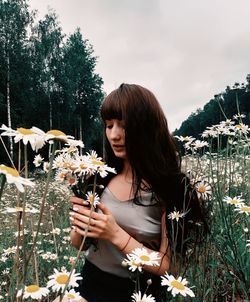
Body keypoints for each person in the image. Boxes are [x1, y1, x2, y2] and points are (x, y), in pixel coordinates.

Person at [69, 83, 207, 302]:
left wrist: (114, 233)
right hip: (88, 282)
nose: (114, 135)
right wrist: (81, 222)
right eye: (108, 125)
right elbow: (79, 244)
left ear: (146, 127)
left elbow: (168, 267)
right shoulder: (99, 178)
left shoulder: (173, 188)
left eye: (123, 125)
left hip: (138, 292)